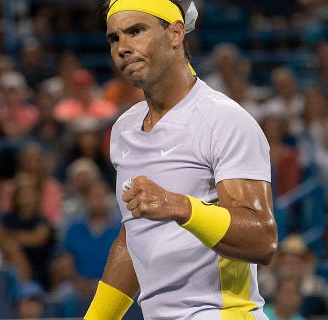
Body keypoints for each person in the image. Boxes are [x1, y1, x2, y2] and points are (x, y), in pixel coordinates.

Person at [85, 1, 278, 319]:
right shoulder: (123, 130)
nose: (122, 47)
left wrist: (181, 207)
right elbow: (134, 237)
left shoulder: (225, 120)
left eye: (136, 31)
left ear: (175, 33)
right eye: (114, 38)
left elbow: (262, 239)